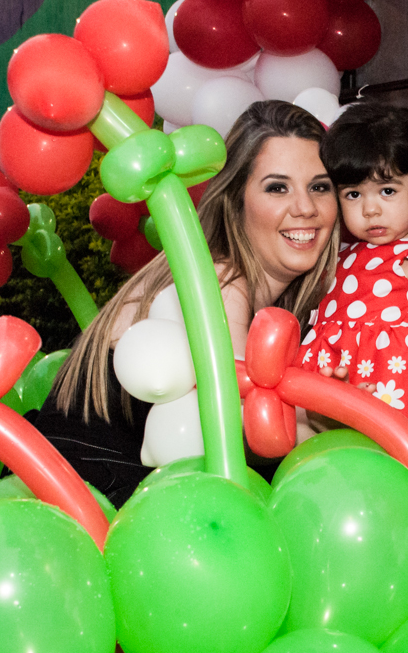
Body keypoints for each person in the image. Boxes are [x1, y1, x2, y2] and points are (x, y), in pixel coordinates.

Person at [29, 101, 340, 505]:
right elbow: (253, 430)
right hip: (80, 500)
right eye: (277, 187)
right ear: (234, 199)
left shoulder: (283, 301)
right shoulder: (221, 281)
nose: (305, 208)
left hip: (126, 496)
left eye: (320, 186)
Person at [298, 102, 408, 444]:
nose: (370, 209)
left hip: (403, 411)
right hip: (333, 419)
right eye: (353, 194)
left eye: (387, 191)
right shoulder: (340, 258)